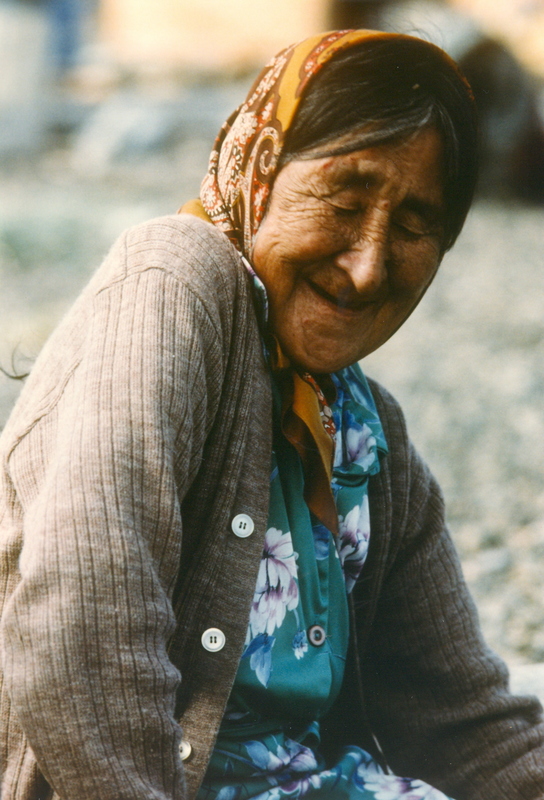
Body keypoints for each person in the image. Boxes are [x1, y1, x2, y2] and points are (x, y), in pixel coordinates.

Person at [0, 29, 543, 800]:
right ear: (261, 174)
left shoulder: (363, 431)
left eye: (416, 226)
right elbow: (83, 625)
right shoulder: (174, 285)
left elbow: (462, 718)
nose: (367, 263)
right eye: (344, 201)